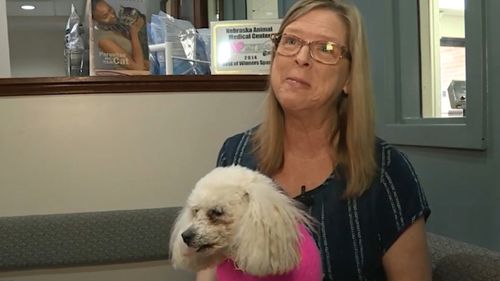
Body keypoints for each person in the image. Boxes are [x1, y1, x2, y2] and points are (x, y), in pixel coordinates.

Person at [198, 0, 432, 280]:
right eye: (291, 40)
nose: (301, 57)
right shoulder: (235, 154)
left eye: (326, 49)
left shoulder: (386, 170)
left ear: (349, 78)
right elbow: (210, 266)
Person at [91, 0, 149, 71]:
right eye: (105, 16)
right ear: (96, 20)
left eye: (110, 9)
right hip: (129, 79)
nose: (112, 15)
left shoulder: (119, 26)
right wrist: (134, 33)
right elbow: (138, 68)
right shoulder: (104, 40)